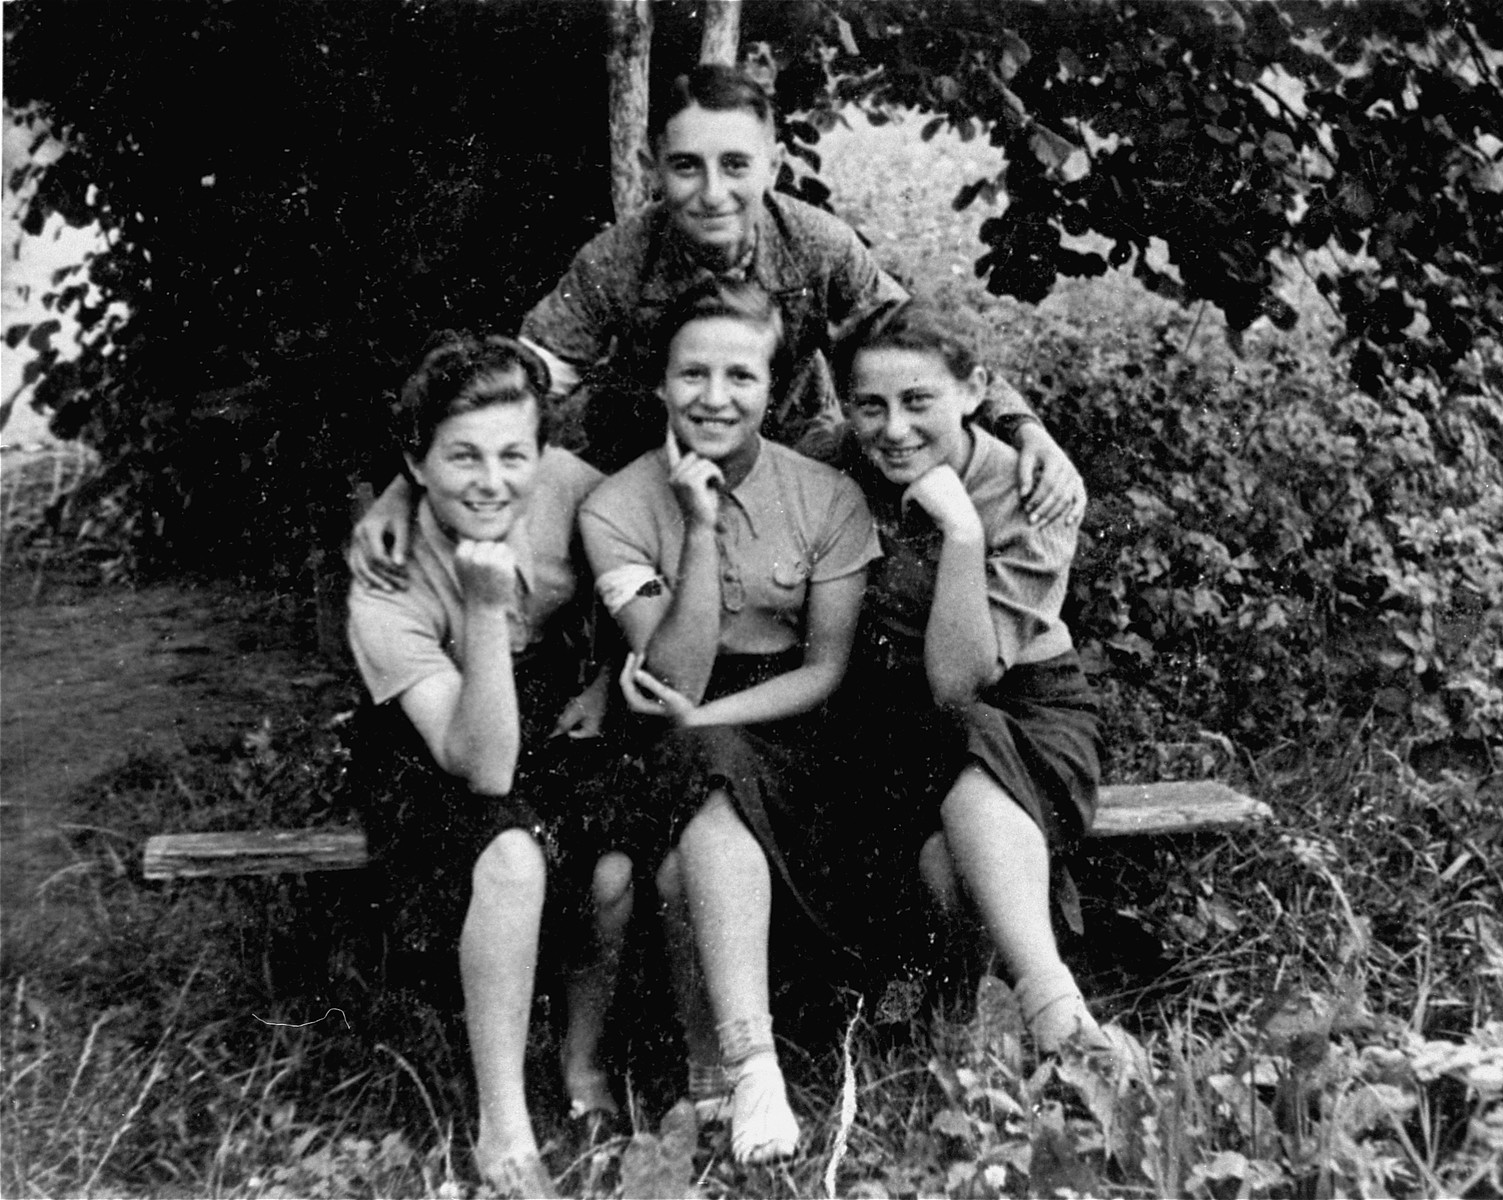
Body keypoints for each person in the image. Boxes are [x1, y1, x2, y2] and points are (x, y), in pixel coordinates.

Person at [348, 64, 1082, 593]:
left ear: (771, 162)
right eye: (687, 167)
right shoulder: (619, 260)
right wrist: (406, 485)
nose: (713, 193)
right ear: (653, 168)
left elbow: (919, 349)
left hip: (801, 457)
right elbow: (523, 374)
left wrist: (1026, 432)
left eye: (735, 164)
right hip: (655, 459)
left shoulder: (817, 245)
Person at [578, 281, 879, 1163]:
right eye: (693, 374)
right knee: (685, 816)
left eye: (740, 376)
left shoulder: (826, 496)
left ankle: (724, 1071)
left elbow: (825, 670)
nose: (716, 397)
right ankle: (750, 1070)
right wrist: (699, 529)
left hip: (788, 724)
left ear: (773, 387)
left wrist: (705, 718)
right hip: (673, 716)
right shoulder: (618, 506)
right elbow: (671, 670)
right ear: (660, 385)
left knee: (693, 812)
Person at [346, 333, 632, 1199]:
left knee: (614, 868)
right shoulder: (384, 580)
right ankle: (502, 1123)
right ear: (416, 463)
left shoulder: (572, 489)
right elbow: (484, 770)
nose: (491, 480)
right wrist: (480, 605)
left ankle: (581, 1067)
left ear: (543, 454)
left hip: (551, 707)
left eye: (514, 455)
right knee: (510, 855)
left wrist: (611, 680)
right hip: (438, 745)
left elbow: (643, 557)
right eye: (461, 457)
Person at [829, 299, 1147, 1069]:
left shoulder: (1033, 490)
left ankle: (1053, 1013)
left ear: (974, 393)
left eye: (919, 402)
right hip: (894, 717)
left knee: (970, 747)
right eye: (871, 406)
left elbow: (960, 684)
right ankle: (975, 1024)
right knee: (936, 859)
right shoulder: (832, 463)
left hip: (1025, 708)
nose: (894, 429)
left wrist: (963, 532)